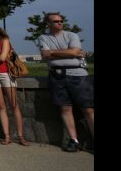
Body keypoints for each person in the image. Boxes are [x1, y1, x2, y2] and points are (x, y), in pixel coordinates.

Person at [36, 12, 94, 152]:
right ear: (48, 24)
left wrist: (54, 52)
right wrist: (68, 51)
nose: (60, 23)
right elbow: (44, 55)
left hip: (78, 74)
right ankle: (74, 140)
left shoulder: (71, 35)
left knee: (88, 109)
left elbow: (74, 52)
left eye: (61, 21)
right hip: (56, 76)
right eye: (56, 21)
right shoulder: (43, 37)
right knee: (65, 108)